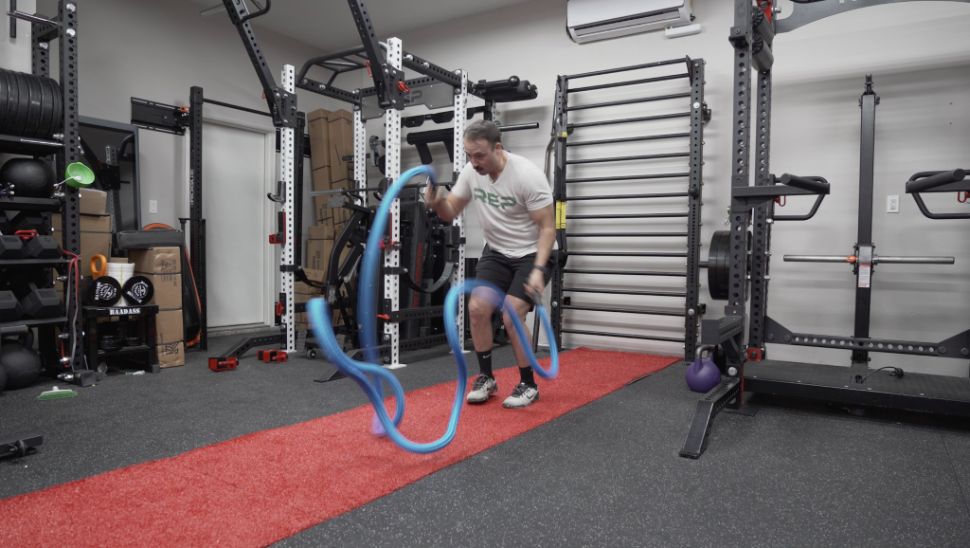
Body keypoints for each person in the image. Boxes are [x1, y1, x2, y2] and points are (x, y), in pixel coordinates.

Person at [425, 120, 555, 408]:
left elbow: (548, 228)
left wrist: (537, 271)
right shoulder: (472, 173)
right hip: (496, 251)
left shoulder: (527, 176)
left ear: (498, 148)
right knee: (476, 308)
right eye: (469, 155)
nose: (474, 161)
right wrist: (436, 202)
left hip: (533, 251)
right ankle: (487, 378)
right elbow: (450, 212)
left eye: (480, 155)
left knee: (511, 314)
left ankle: (528, 383)